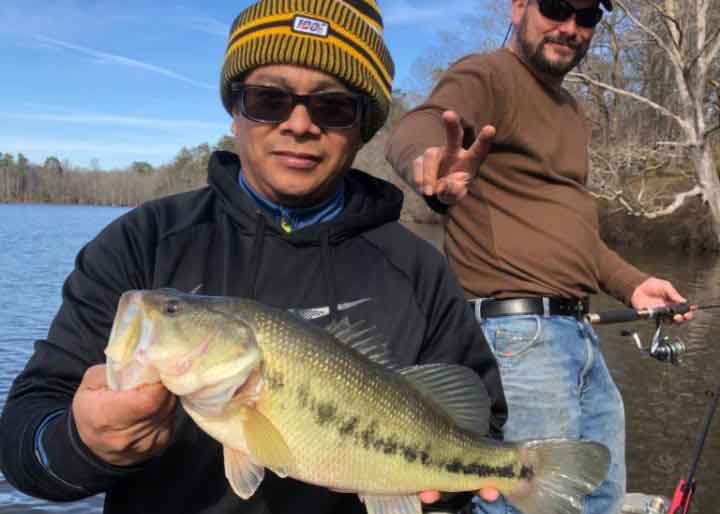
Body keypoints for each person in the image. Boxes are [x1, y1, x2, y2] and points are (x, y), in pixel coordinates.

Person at [0, 1, 506, 513]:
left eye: (333, 106)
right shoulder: (141, 242)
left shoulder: (418, 268)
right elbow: (26, 436)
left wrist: (434, 491)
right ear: (234, 111)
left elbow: (479, 427)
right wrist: (83, 445)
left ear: (364, 126)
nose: (299, 124)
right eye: (269, 99)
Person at [385, 1, 693, 514]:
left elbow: (574, 237)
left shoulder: (571, 112)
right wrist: (430, 163)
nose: (571, 27)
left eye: (588, 17)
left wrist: (635, 285)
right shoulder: (486, 74)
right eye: (556, 7)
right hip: (517, 339)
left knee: (603, 493)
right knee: (525, 504)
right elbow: (416, 127)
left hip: (579, 335)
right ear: (519, 6)